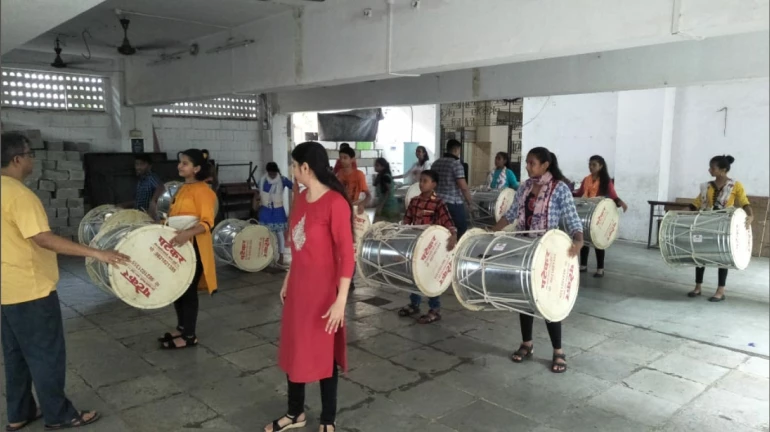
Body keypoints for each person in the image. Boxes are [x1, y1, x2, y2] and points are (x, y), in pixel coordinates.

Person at [1, 132, 130, 430]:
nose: (33, 158)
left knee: (15, 354)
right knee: (45, 355)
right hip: (31, 288)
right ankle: (59, 415)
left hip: (6, 289)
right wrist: (97, 253)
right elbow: (44, 239)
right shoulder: (20, 195)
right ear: (18, 159)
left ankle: (19, 413)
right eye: (30, 153)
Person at [265, 142, 354, 432]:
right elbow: (298, 244)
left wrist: (341, 300)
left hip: (324, 293)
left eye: (294, 165)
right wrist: (288, 276)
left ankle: (328, 419)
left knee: (325, 356)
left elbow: (346, 255)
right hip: (299, 290)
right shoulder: (301, 198)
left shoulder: (336, 203)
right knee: (296, 350)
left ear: (306, 168)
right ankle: (295, 413)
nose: (292, 170)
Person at [492, 147, 583, 374]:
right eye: (527, 162)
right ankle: (527, 343)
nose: (528, 166)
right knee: (524, 296)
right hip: (523, 247)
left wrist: (578, 239)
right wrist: (490, 232)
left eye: (532, 163)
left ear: (545, 165)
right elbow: (512, 214)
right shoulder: (523, 187)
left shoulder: (559, 188)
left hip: (547, 251)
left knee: (548, 298)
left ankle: (558, 350)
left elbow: (572, 217)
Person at [157, 149, 219, 349]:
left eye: (184, 163)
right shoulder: (182, 188)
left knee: (188, 291)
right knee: (178, 289)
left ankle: (190, 336)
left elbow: (207, 222)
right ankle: (182, 327)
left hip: (195, 248)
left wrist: (187, 233)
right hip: (179, 247)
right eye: (180, 162)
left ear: (197, 168)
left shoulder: (204, 191)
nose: (179, 166)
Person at [687, 155, 753, 302]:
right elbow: (697, 203)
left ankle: (720, 291)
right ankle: (698, 287)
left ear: (723, 170)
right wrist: (685, 212)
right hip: (705, 223)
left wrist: (751, 216)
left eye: (712, 168)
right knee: (700, 255)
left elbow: (744, 202)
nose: (709, 170)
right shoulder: (706, 186)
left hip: (724, 225)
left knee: (722, 257)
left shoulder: (736, 185)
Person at [398, 170, 458, 324]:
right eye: (421, 180)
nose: (421, 183)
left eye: (425, 181)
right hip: (415, 245)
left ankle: (434, 309)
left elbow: (448, 222)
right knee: (414, 274)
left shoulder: (438, 203)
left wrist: (453, 237)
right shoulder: (414, 201)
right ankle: (414, 303)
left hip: (432, 247)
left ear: (434, 185)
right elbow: (406, 221)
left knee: (430, 276)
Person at [572, 155, 628, 278]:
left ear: (601, 166)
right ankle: (583, 265)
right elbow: (580, 193)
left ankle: (600, 268)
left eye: (594, 165)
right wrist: (570, 193)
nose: (591, 167)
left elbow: (613, 196)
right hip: (586, 214)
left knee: (598, 241)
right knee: (585, 239)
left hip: (599, 215)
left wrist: (621, 203)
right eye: (590, 164)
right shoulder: (586, 179)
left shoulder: (606, 182)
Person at [431, 139, 473, 238]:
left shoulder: (435, 163)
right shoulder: (456, 164)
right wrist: (470, 202)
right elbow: (463, 187)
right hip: (453, 203)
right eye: (459, 150)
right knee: (461, 228)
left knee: (442, 228)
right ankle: (456, 250)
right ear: (456, 149)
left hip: (437, 201)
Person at [259, 162, 294, 266]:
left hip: (278, 211)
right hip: (266, 210)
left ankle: (281, 256)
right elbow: (258, 193)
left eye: (274, 174)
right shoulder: (262, 181)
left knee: (279, 234)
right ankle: (267, 256)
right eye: (271, 174)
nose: (273, 175)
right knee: (266, 234)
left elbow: (294, 187)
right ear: (267, 172)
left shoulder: (283, 180)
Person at [120, 154, 165, 220]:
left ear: (149, 166)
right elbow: (139, 201)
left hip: (148, 217)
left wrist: (153, 202)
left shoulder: (151, 178)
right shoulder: (140, 181)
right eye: (137, 164)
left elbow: (161, 188)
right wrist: (124, 204)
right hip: (139, 216)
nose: (138, 167)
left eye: (141, 164)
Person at [336, 147, 370, 215]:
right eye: (340, 157)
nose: (342, 160)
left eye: (345, 158)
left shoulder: (359, 175)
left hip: (354, 210)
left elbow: (368, 196)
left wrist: (362, 204)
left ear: (352, 159)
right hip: (340, 208)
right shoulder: (339, 174)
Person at [373, 158, 400, 222]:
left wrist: (380, 206)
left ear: (383, 167)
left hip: (389, 206)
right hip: (384, 205)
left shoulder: (385, 177)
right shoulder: (380, 176)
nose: (375, 167)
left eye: (377, 165)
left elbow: (387, 192)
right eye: (375, 165)